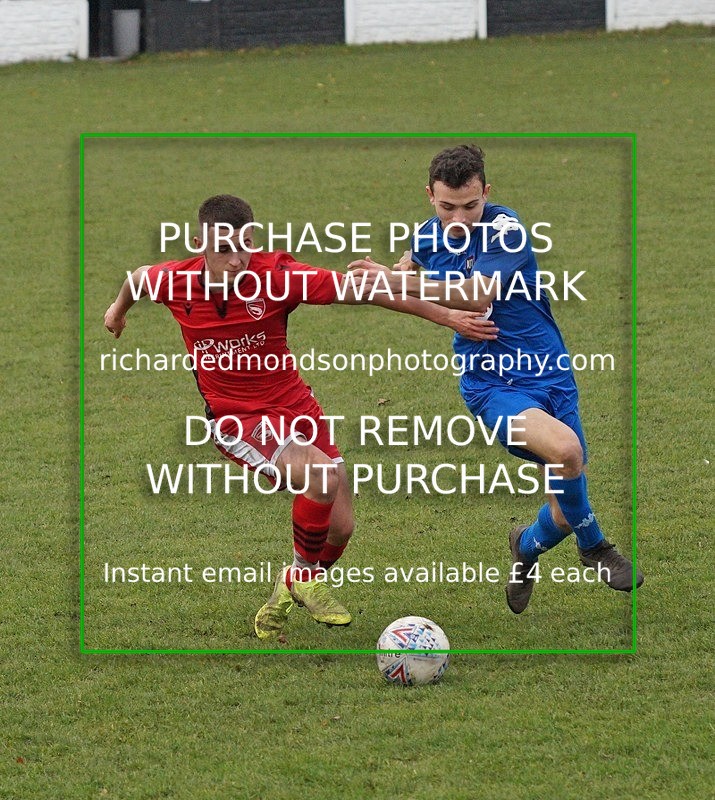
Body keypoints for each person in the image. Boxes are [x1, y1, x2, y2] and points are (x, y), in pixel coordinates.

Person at [103, 194, 496, 639]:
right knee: (321, 479)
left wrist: (448, 317)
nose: (237, 260)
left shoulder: (276, 275)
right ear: (200, 244)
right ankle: (305, 577)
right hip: (237, 418)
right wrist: (117, 313)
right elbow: (136, 280)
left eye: (244, 245)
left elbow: (367, 291)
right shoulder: (174, 281)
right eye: (223, 250)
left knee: (341, 524)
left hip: (295, 406)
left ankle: (287, 590)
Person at [351, 145, 643, 613]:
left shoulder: (506, 230)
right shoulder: (424, 240)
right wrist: (444, 316)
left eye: (471, 205)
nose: (460, 218)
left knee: (563, 507)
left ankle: (524, 549)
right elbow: (400, 293)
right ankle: (596, 548)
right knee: (567, 452)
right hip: (492, 385)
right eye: (448, 207)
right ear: (430, 196)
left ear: (486, 192)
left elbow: (476, 293)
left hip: (552, 373)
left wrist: (403, 282)